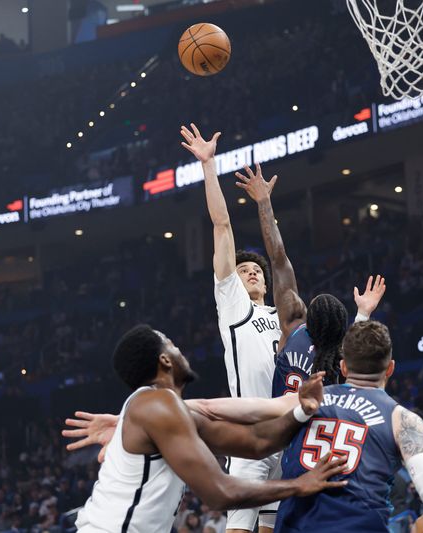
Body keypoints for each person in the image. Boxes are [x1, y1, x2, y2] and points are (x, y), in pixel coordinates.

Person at [73, 324, 346, 533]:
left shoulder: (169, 411)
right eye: (173, 346)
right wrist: (297, 485)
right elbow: (219, 493)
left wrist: (301, 411)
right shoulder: (157, 405)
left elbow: (255, 442)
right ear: (165, 360)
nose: (181, 351)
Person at [274, 321, 423, 532]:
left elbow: (255, 417)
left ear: (344, 367)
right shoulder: (401, 418)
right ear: (390, 368)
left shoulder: (307, 400)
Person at [180, 123, 283, 533]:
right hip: (250, 434)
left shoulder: (284, 316)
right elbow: (222, 226)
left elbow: (280, 258)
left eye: (257, 270)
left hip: (288, 431)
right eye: (243, 270)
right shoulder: (234, 305)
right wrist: (209, 166)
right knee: (239, 527)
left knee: (273, 528)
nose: (252, 272)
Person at [232, 162, 385, 396]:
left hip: (282, 417)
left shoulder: (295, 327)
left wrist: (264, 202)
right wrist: (363, 314)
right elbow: (357, 349)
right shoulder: (341, 356)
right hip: (323, 419)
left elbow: (278, 259)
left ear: (308, 315)